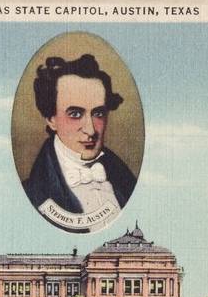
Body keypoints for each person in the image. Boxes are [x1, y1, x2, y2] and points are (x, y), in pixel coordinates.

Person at [22, 54, 136, 232]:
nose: (90, 130)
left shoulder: (127, 184)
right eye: (75, 114)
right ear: (51, 119)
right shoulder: (31, 193)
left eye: (98, 113)